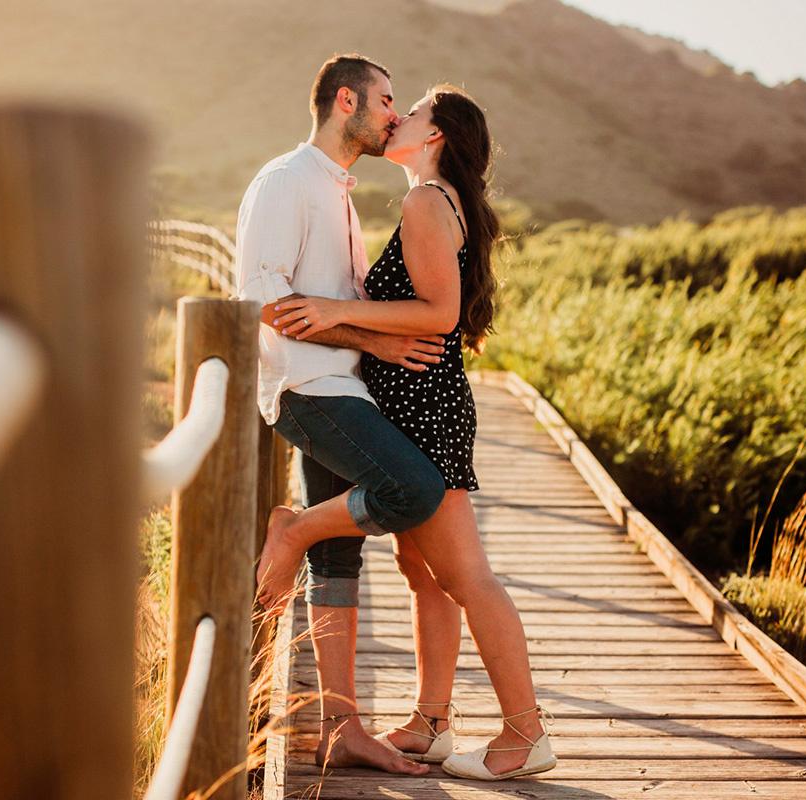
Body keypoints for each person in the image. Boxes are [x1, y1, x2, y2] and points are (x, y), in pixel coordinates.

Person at [264, 85, 557, 780]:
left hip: (425, 406)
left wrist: (333, 313)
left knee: (465, 577)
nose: (397, 118)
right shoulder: (439, 200)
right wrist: (354, 324)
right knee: (423, 573)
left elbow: (439, 314)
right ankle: (432, 721)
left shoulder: (427, 200)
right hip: (420, 402)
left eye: (413, 112)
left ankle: (525, 734)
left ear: (436, 137)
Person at [235, 53, 448, 775]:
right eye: (388, 100)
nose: (396, 114)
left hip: (340, 385)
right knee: (413, 491)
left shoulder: (338, 190)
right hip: (308, 389)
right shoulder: (287, 181)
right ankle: (289, 527)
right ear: (347, 99)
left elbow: (325, 298)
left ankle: (343, 727)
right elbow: (264, 297)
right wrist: (372, 341)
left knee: (340, 558)